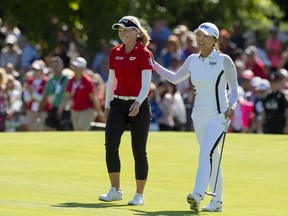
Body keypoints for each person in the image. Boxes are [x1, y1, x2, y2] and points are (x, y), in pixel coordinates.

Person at [153, 22, 239, 212]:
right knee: (213, 157)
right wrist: (154, 64)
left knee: (206, 153)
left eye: (205, 36)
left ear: (214, 39)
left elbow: (233, 88)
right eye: (198, 35)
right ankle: (217, 202)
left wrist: (232, 105)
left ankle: (198, 194)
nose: (200, 39)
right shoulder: (192, 59)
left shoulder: (225, 60)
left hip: (220, 115)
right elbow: (175, 77)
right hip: (198, 116)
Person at [98, 15, 153, 206]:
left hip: (139, 105)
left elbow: (146, 83)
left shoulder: (144, 53)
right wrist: (106, 106)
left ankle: (139, 194)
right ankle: (115, 190)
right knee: (110, 144)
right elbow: (111, 82)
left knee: (139, 151)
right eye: (120, 31)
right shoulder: (115, 52)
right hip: (118, 105)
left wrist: (137, 103)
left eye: (126, 30)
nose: (122, 34)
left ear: (136, 31)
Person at [58, 57, 103, 131]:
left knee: (81, 129)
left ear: (82, 68)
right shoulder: (71, 80)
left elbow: (93, 98)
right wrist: (60, 108)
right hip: (75, 109)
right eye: (74, 66)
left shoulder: (88, 81)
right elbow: (67, 96)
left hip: (87, 109)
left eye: (77, 67)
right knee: (77, 131)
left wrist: (99, 112)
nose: (75, 68)